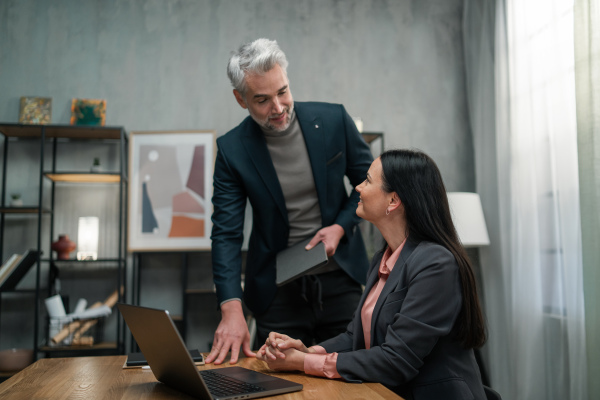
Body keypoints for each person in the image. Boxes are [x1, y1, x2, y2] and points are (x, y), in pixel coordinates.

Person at [256, 149, 488, 399]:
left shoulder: (436, 263)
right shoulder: (383, 257)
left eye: (367, 180)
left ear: (393, 201)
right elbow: (355, 336)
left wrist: (301, 362)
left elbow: (396, 360)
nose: (357, 187)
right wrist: (308, 351)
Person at [206, 38, 373, 365]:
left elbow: (369, 184)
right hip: (276, 290)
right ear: (240, 99)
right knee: (278, 382)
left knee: (352, 377)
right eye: (262, 99)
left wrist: (340, 226)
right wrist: (231, 307)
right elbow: (226, 233)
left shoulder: (334, 119)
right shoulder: (232, 150)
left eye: (282, 91)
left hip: (341, 278)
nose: (279, 108)